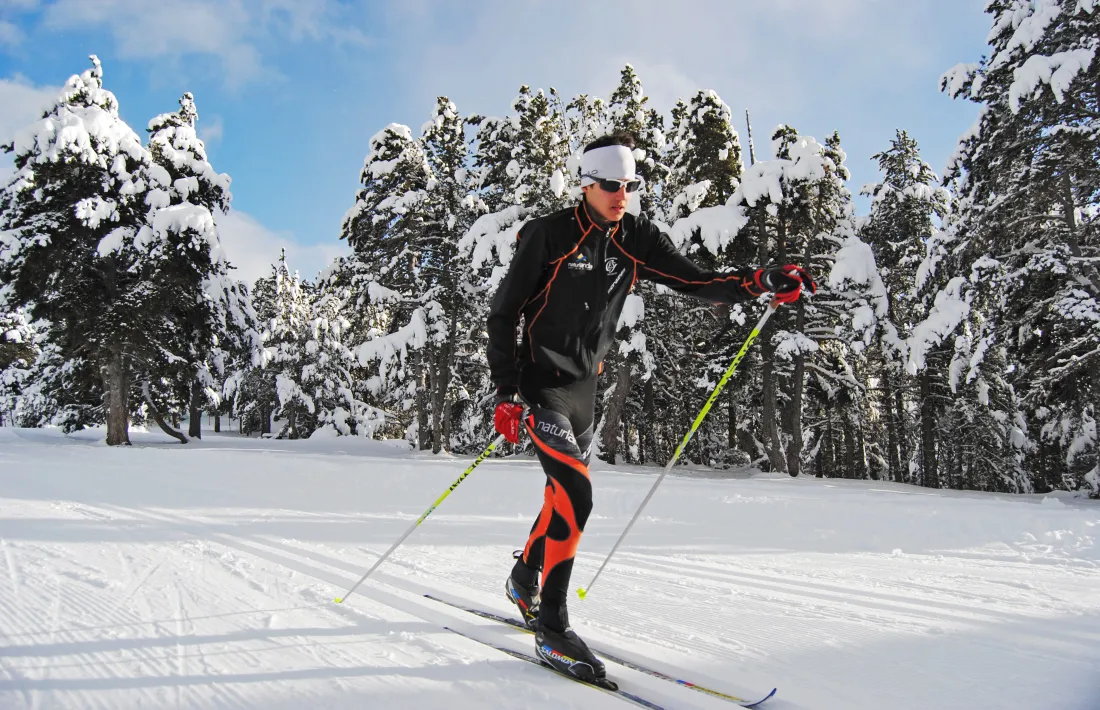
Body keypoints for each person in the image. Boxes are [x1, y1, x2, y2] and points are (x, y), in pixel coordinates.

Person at [486, 132, 815, 682]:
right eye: (612, 185)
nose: (622, 195)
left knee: (558, 498)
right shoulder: (548, 235)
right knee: (576, 493)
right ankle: (552, 626)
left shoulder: (635, 237)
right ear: (587, 184)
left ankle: (524, 578)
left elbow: (696, 279)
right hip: (541, 387)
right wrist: (504, 392)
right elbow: (503, 314)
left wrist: (759, 281)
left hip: (585, 392)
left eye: (630, 185)